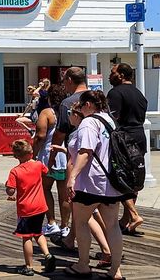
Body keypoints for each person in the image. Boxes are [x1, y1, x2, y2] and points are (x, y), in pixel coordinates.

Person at [64, 89, 129, 279]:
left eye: (82, 105)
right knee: (113, 226)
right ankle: (115, 270)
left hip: (90, 182)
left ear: (89, 105)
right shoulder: (109, 120)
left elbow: (85, 152)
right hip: (111, 183)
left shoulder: (88, 123)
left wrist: (72, 177)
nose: (81, 109)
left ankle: (83, 265)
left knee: (82, 222)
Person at [5, 139, 56, 276]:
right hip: (40, 206)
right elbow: (47, 172)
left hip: (25, 209)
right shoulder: (38, 165)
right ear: (31, 152)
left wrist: (9, 191)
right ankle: (47, 255)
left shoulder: (15, 171)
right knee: (38, 232)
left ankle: (28, 266)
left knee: (27, 237)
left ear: (16, 156)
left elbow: (10, 190)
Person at [107, 63, 147, 236]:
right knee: (134, 178)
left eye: (112, 73)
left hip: (124, 140)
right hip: (139, 137)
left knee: (119, 177)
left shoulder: (115, 93)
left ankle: (133, 214)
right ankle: (125, 220)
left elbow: (112, 118)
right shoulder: (139, 93)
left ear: (122, 75)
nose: (110, 76)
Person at [49, 66, 88, 240]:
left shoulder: (67, 103)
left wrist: (51, 159)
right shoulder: (98, 99)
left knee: (75, 199)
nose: (64, 85)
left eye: (64, 81)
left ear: (70, 80)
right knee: (96, 204)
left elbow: (60, 134)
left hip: (75, 156)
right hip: (97, 157)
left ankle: (101, 248)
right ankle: (71, 238)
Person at [31, 84, 68, 236]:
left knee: (45, 188)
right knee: (64, 193)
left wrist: (33, 155)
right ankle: (65, 226)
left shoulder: (47, 112)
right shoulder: (67, 112)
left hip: (48, 154)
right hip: (65, 155)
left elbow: (40, 136)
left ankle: (52, 223)